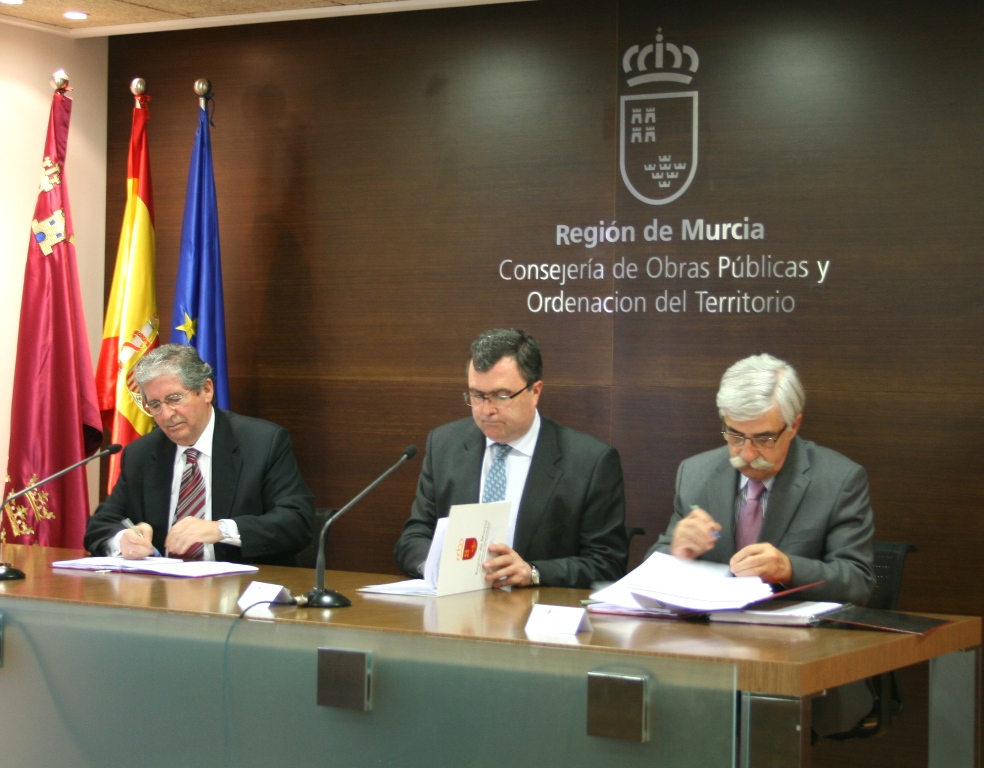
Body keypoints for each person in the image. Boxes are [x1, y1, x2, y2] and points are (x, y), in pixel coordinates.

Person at [649, 352, 876, 735]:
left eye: (764, 438)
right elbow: (651, 575)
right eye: (735, 436)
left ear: (794, 425)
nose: (747, 453)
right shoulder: (696, 473)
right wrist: (676, 554)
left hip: (801, 666)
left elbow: (858, 582)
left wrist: (789, 568)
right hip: (708, 660)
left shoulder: (838, 480)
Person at [395, 328, 628, 589]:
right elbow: (413, 539)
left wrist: (534, 572)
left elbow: (608, 563)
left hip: (537, 608)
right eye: (477, 395)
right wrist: (436, 568)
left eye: (501, 396)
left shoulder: (590, 461)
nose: (487, 410)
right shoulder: (444, 445)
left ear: (535, 391)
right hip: (456, 605)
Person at [84, 344, 314, 566]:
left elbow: (297, 522)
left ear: (206, 390)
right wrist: (123, 539)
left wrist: (221, 529)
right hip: (162, 586)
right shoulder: (142, 453)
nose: (166, 415)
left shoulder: (262, 443)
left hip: (241, 585)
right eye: (155, 404)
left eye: (174, 399)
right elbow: (100, 525)